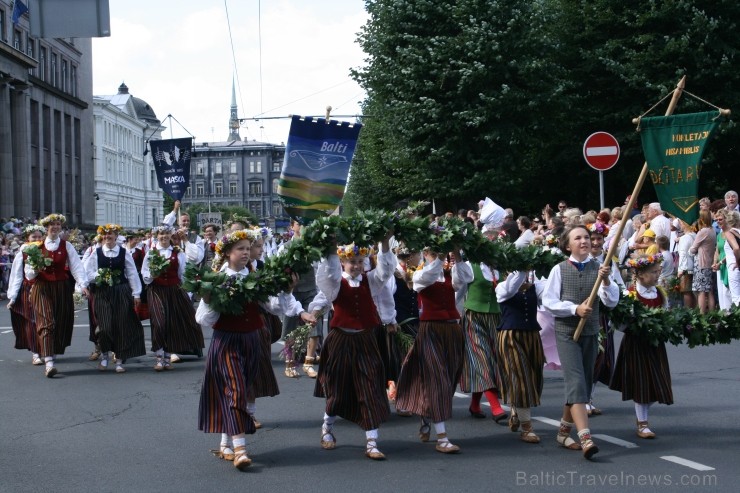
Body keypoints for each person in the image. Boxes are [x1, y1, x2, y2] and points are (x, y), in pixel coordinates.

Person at [196, 230, 310, 469]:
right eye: (241, 248)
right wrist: (208, 299)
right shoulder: (216, 278)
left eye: (248, 248)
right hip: (227, 341)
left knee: (241, 390)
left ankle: (226, 441)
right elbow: (204, 320)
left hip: (251, 341)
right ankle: (240, 450)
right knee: (235, 390)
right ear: (227, 253)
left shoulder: (257, 276)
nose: (246, 252)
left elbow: (274, 306)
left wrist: (288, 291)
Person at [315, 235, 395, 460]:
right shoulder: (335, 283)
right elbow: (327, 274)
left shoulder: (371, 280)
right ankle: (327, 427)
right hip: (341, 340)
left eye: (360, 261)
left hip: (366, 340)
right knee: (338, 389)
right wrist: (331, 247)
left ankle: (371, 442)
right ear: (343, 262)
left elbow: (386, 270)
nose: (357, 266)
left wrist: (385, 243)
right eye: (352, 262)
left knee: (370, 386)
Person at [542, 225, 618, 460]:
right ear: (568, 245)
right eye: (578, 238)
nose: (584, 241)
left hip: (590, 332)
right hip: (567, 332)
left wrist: (605, 282)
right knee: (576, 381)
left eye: (587, 237)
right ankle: (586, 438)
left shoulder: (601, 268)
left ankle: (564, 431)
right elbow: (548, 301)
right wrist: (575, 308)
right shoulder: (559, 269)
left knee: (582, 383)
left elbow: (612, 301)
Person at [395, 246, 467, 454]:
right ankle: (442, 437)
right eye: (433, 253)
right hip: (431, 331)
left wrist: (458, 255)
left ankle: (427, 414)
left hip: (452, 330)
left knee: (450, 379)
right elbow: (429, 275)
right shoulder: (419, 274)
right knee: (438, 380)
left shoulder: (448, 273)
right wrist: (439, 259)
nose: (438, 257)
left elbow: (463, 279)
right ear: (426, 255)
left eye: (439, 253)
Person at [610, 254, 673, 438]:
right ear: (640, 274)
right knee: (642, 383)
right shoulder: (631, 294)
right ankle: (642, 423)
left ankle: (642, 419)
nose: (656, 275)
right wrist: (634, 322)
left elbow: (666, 314)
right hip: (636, 343)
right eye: (653, 272)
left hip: (655, 344)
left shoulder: (659, 292)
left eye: (658, 272)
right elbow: (620, 324)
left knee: (658, 382)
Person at [24, 214, 90, 377]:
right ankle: (49, 363)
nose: (55, 227)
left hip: (61, 288)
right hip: (42, 288)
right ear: (46, 228)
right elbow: (29, 275)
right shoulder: (36, 247)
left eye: (58, 224)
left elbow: (76, 266)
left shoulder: (66, 246)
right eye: (52, 224)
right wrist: (35, 268)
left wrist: (82, 285)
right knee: (47, 322)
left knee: (60, 322)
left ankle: (51, 351)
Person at [141, 225, 205, 370]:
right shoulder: (151, 252)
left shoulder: (177, 252)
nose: (164, 236)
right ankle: (159, 356)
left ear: (171, 235)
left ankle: (168, 356)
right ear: (157, 236)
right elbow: (144, 272)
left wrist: (186, 292)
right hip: (156, 290)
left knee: (171, 322)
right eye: (161, 234)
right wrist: (151, 275)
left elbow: (182, 274)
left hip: (173, 290)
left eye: (166, 233)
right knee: (159, 322)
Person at [84, 224, 146, 373]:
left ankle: (119, 359)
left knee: (121, 325)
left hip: (121, 291)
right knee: (104, 327)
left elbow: (131, 273)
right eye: (105, 234)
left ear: (116, 236)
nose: (107, 237)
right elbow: (88, 272)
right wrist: (99, 276)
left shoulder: (124, 252)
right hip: (102, 292)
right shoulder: (96, 253)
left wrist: (136, 293)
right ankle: (104, 355)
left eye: (110, 234)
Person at [495, 270, 546, 443]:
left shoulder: (536, 287)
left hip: (532, 335)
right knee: (521, 377)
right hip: (510, 336)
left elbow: (550, 298)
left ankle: (516, 410)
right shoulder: (502, 287)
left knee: (535, 378)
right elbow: (510, 288)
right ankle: (527, 428)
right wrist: (520, 270)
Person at [456, 257, 508, 424]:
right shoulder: (471, 267)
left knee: (494, 359)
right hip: (473, 317)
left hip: (495, 317)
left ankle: (475, 404)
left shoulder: (500, 267)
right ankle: (495, 407)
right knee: (481, 358)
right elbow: (459, 291)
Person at [280, 219, 324, 378]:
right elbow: (280, 269)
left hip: (311, 289)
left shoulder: (313, 247)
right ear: (292, 227)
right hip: (292, 291)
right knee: (290, 327)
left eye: (305, 224)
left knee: (314, 325)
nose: (303, 227)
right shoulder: (284, 248)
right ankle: (290, 363)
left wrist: (321, 292)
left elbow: (319, 269)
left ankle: (309, 363)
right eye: (299, 223)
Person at [6, 224, 46, 365]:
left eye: (39, 236)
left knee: (46, 321)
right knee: (31, 321)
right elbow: (16, 276)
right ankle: (36, 353)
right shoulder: (22, 253)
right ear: (28, 239)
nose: (37, 239)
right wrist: (12, 297)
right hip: (27, 289)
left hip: (45, 289)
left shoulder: (46, 250)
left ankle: (47, 350)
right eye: (34, 237)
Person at [717, 209, 740, 307]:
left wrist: (738, 262)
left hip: (733, 267)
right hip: (734, 266)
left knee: (736, 297)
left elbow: (736, 248)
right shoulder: (738, 232)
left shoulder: (729, 233)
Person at [675, 219, 696, 309]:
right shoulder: (695, 235)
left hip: (686, 267)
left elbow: (683, 254)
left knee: (686, 291)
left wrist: (680, 269)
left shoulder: (684, 238)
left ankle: (688, 311)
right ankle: (695, 311)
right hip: (694, 265)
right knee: (692, 291)